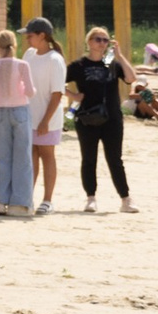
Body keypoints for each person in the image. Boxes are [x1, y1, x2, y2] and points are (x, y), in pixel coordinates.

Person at [68, 27, 137, 213]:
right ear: (89, 42)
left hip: (112, 118)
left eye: (105, 40)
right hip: (87, 118)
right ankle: (91, 198)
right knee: (89, 159)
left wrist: (120, 56)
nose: (102, 43)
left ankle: (126, 199)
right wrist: (73, 96)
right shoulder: (79, 65)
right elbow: (57, 81)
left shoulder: (112, 64)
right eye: (98, 39)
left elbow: (131, 78)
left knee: (115, 159)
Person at [0, 29, 35, 215]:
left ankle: (0, 201)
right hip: (20, 110)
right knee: (22, 158)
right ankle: (20, 203)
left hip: (1, 111)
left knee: (3, 158)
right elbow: (30, 92)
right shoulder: (22, 65)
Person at [23, 16, 67, 215]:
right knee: (31, 156)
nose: (27, 40)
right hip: (29, 115)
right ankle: (27, 196)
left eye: (30, 36)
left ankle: (48, 199)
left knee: (47, 156)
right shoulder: (29, 55)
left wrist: (45, 121)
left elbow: (57, 94)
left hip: (47, 118)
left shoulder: (55, 60)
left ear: (42, 36)